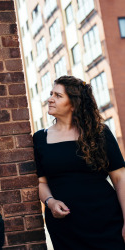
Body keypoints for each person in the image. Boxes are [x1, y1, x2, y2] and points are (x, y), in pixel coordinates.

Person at [33, 75, 125, 249]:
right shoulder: (39, 139)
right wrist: (50, 202)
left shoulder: (99, 133)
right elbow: (40, 182)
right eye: (51, 93)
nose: (50, 99)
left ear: (74, 104)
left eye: (58, 96)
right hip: (65, 227)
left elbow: (120, 178)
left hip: (106, 221)